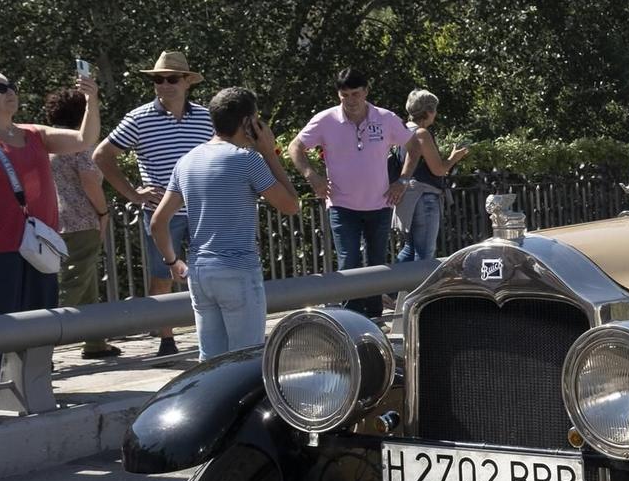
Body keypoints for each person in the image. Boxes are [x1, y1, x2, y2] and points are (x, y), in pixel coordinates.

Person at [0, 68, 100, 408]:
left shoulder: (34, 134)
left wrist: (91, 100)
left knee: (41, 314)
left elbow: (85, 139)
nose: (11, 90)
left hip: (39, 242)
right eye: (0, 88)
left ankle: (35, 377)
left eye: (11, 84)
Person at [153, 89, 299, 360]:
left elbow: (158, 222)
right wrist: (270, 154)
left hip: (199, 272)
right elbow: (291, 205)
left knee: (211, 362)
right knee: (245, 360)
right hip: (238, 269)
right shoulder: (247, 161)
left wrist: (173, 263)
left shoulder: (186, 162)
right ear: (248, 123)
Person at [95, 51, 211, 356]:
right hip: (162, 213)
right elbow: (101, 156)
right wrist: (133, 194)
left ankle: (210, 333)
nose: (164, 84)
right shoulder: (138, 118)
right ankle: (166, 339)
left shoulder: (206, 117)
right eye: (158, 79)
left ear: (187, 82)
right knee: (163, 274)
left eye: (172, 78)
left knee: (210, 271)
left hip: (204, 210)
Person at [288, 67, 412, 319]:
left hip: (380, 204)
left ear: (366, 91)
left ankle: (375, 317)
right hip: (342, 205)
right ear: (338, 95)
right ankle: (352, 319)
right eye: (345, 95)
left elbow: (414, 145)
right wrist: (312, 177)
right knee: (349, 262)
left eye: (356, 94)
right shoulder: (326, 119)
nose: (351, 101)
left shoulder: (385, 118)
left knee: (378, 264)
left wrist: (403, 180)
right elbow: (295, 147)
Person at [43, 87, 118, 358]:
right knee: (72, 285)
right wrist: (103, 212)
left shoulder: (47, 145)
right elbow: (89, 181)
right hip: (81, 220)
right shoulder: (77, 143)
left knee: (86, 281)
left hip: (51, 221)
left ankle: (95, 342)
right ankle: (40, 349)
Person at [394, 88, 469, 263]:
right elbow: (438, 170)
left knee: (409, 248)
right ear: (428, 111)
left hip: (406, 197)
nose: (435, 114)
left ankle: (392, 288)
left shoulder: (402, 131)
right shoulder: (422, 134)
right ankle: (420, 291)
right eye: (434, 110)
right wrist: (453, 158)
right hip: (424, 196)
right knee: (425, 253)